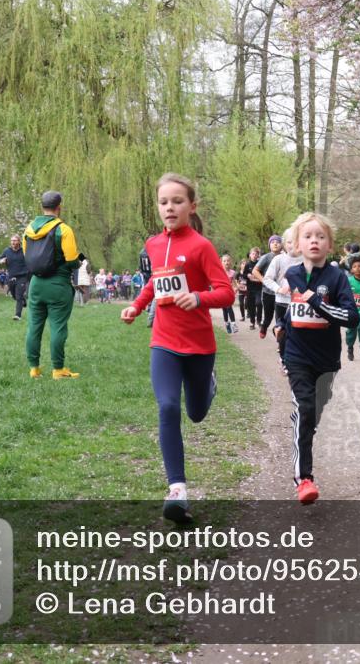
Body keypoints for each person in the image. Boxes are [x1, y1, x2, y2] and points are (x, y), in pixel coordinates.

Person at [121, 173, 234, 522]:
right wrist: (136, 307)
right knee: (168, 407)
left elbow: (226, 291)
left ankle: (208, 385)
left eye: (177, 201)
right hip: (164, 342)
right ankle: (177, 490)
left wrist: (198, 297)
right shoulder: (153, 245)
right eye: (164, 202)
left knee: (196, 413)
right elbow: (155, 283)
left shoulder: (202, 246)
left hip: (199, 346)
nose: (170, 207)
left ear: (191, 206)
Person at [273, 212, 359, 503]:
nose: (314, 241)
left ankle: (303, 421)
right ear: (297, 244)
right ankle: (304, 479)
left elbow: (351, 317)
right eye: (308, 236)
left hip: (326, 361)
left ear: (330, 244)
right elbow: (290, 312)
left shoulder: (337, 278)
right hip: (297, 357)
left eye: (320, 237)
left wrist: (318, 304)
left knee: (312, 414)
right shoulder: (292, 274)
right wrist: (280, 329)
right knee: (305, 409)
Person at [23, 191, 82, 379]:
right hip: (58, 284)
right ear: (59, 207)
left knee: (34, 327)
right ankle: (58, 369)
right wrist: (78, 262)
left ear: (42, 206)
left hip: (36, 284)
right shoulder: (63, 229)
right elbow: (72, 259)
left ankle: (34, 368)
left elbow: (27, 256)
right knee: (58, 327)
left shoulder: (28, 229)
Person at [263, 229, 303, 372]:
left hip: (300, 302)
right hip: (282, 301)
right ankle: (284, 359)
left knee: (299, 332)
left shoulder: (305, 259)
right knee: (282, 331)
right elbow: (267, 278)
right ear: (284, 244)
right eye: (289, 242)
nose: (292, 245)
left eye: (295, 242)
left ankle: (296, 359)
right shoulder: (278, 259)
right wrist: (278, 289)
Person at [252, 234, 284, 338]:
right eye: (272, 242)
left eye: (278, 242)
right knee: (268, 317)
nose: (275, 243)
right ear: (269, 245)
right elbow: (255, 271)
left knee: (279, 319)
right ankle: (264, 327)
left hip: (281, 293)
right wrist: (264, 281)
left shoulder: (285, 257)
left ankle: (280, 343)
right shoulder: (266, 257)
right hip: (268, 293)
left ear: (282, 245)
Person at [0, 234, 29, 320]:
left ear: (19, 241)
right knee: (14, 295)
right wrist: (2, 260)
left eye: (15, 240)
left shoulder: (24, 250)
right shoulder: (7, 251)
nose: (13, 242)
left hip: (22, 276)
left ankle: (17, 315)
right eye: (12, 240)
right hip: (11, 276)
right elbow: (0, 258)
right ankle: (23, 300)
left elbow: (30, 259)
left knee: (18, 295)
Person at [243, 247, 263, 330]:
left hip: (259, 288)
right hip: (250, 289)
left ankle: (259, 321)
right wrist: (247, 275)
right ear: (250, 255)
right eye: (253, 254)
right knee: (251, 306)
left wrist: (258, 278)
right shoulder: (247, 265)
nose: (254, 255)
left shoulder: (260, 264)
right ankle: (252, 322)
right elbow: (244, 275)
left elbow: (263, 275)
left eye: (256, 254)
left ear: (258, 255)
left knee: (259, 303)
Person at [220, 254, 239, 334]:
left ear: (230, 262)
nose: (226, 262)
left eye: (228, 260)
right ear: (221, 262)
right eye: (224, 261)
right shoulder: (219, 272)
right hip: (221, 292)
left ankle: (233, 324)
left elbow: (234, 282)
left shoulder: (233, 273)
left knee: (229, 307)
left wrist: (236, 287)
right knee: (224, 309)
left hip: (229, 293)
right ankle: (227, 324)